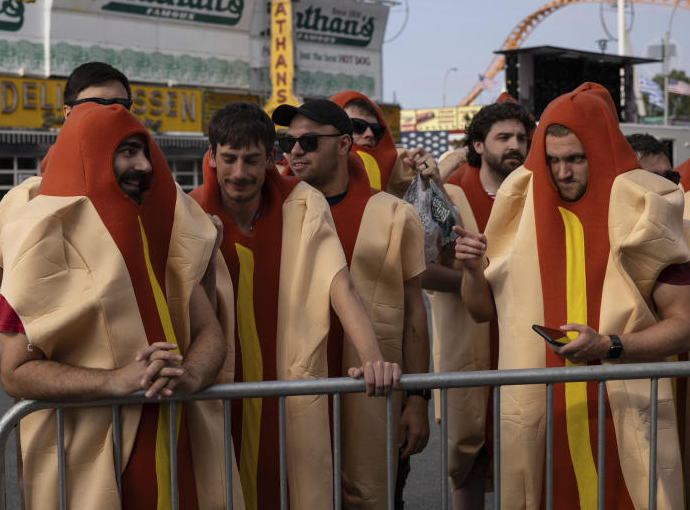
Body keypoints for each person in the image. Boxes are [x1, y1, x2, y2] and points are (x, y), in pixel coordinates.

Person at [454, 83, 690, 509]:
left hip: (626, 422)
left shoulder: (648, 210)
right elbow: (481, 310)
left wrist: (610, 346)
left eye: (575, 159)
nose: (563, 173)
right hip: (544, 426)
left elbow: (684, 325)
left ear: (599, 151)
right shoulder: (517, 208)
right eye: (553, 161)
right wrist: (472, 269)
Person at [0, 102, 235, 510]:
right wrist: (117, 382)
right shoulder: (38, 235)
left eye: (145, 152)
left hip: (180, 452)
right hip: (90, 467)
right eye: (126, 152)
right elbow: (15, 372)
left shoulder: (164, 227)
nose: (143, 166)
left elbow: (209, 329)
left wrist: (191, 377)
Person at [190, 101, 401, 509]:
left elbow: (340, 283)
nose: (239, 173)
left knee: (293, 487)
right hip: (218, 388)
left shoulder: (303, 203)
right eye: (229, 159)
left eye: (251, 160)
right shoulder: (191, 212)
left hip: (287, 382)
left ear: (272, 158)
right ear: (212, 157)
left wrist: (374, 358)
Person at [273, 99, 428, 509]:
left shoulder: (395, 214)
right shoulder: (278, 212)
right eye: (288, 143)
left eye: (309, 141)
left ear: (344, 145)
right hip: (299, 389)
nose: (295, 152)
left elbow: (415, 313)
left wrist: (418, 400)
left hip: (374, 395)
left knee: (373, 496)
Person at [426, 101, 535, 509]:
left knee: (525, 457)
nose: (515, 146)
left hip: (522, 345)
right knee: (467, 459)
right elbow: (419, 270)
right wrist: (482, 285)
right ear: (478, 143)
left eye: (522, 138)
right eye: (504, 137)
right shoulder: (448, 193)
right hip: (466, 346)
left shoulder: (535, 193)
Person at [0, 61, 133, 330]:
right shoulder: (26, 198)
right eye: (96, 105)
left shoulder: (146, 193)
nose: (111, 116)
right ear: (67, 113)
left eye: (121, 107)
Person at [329, 90, 438, 194]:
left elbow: (444, 212)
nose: (370, 134)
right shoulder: (314, 173)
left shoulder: (396, 174)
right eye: (358, 126)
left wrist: (431, 182)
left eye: (376, 129)